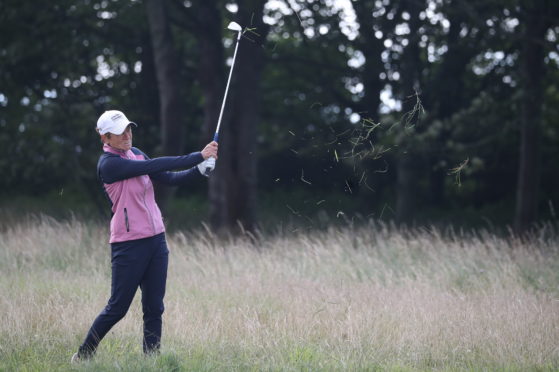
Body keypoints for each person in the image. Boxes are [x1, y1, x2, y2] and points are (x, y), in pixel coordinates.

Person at [72, 110, 218, 362]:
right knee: (117, 307)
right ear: (105, 138)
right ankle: (84, 355)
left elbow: (169, 178)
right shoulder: (110, 165)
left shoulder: (136, 152)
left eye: (129, 129)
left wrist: (200, 171)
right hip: (128, 245)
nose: (127, 135)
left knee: (154, 307)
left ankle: (152, 360)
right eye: (120, 133)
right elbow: (154, 165)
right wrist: (198, 156)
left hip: (156, 240)